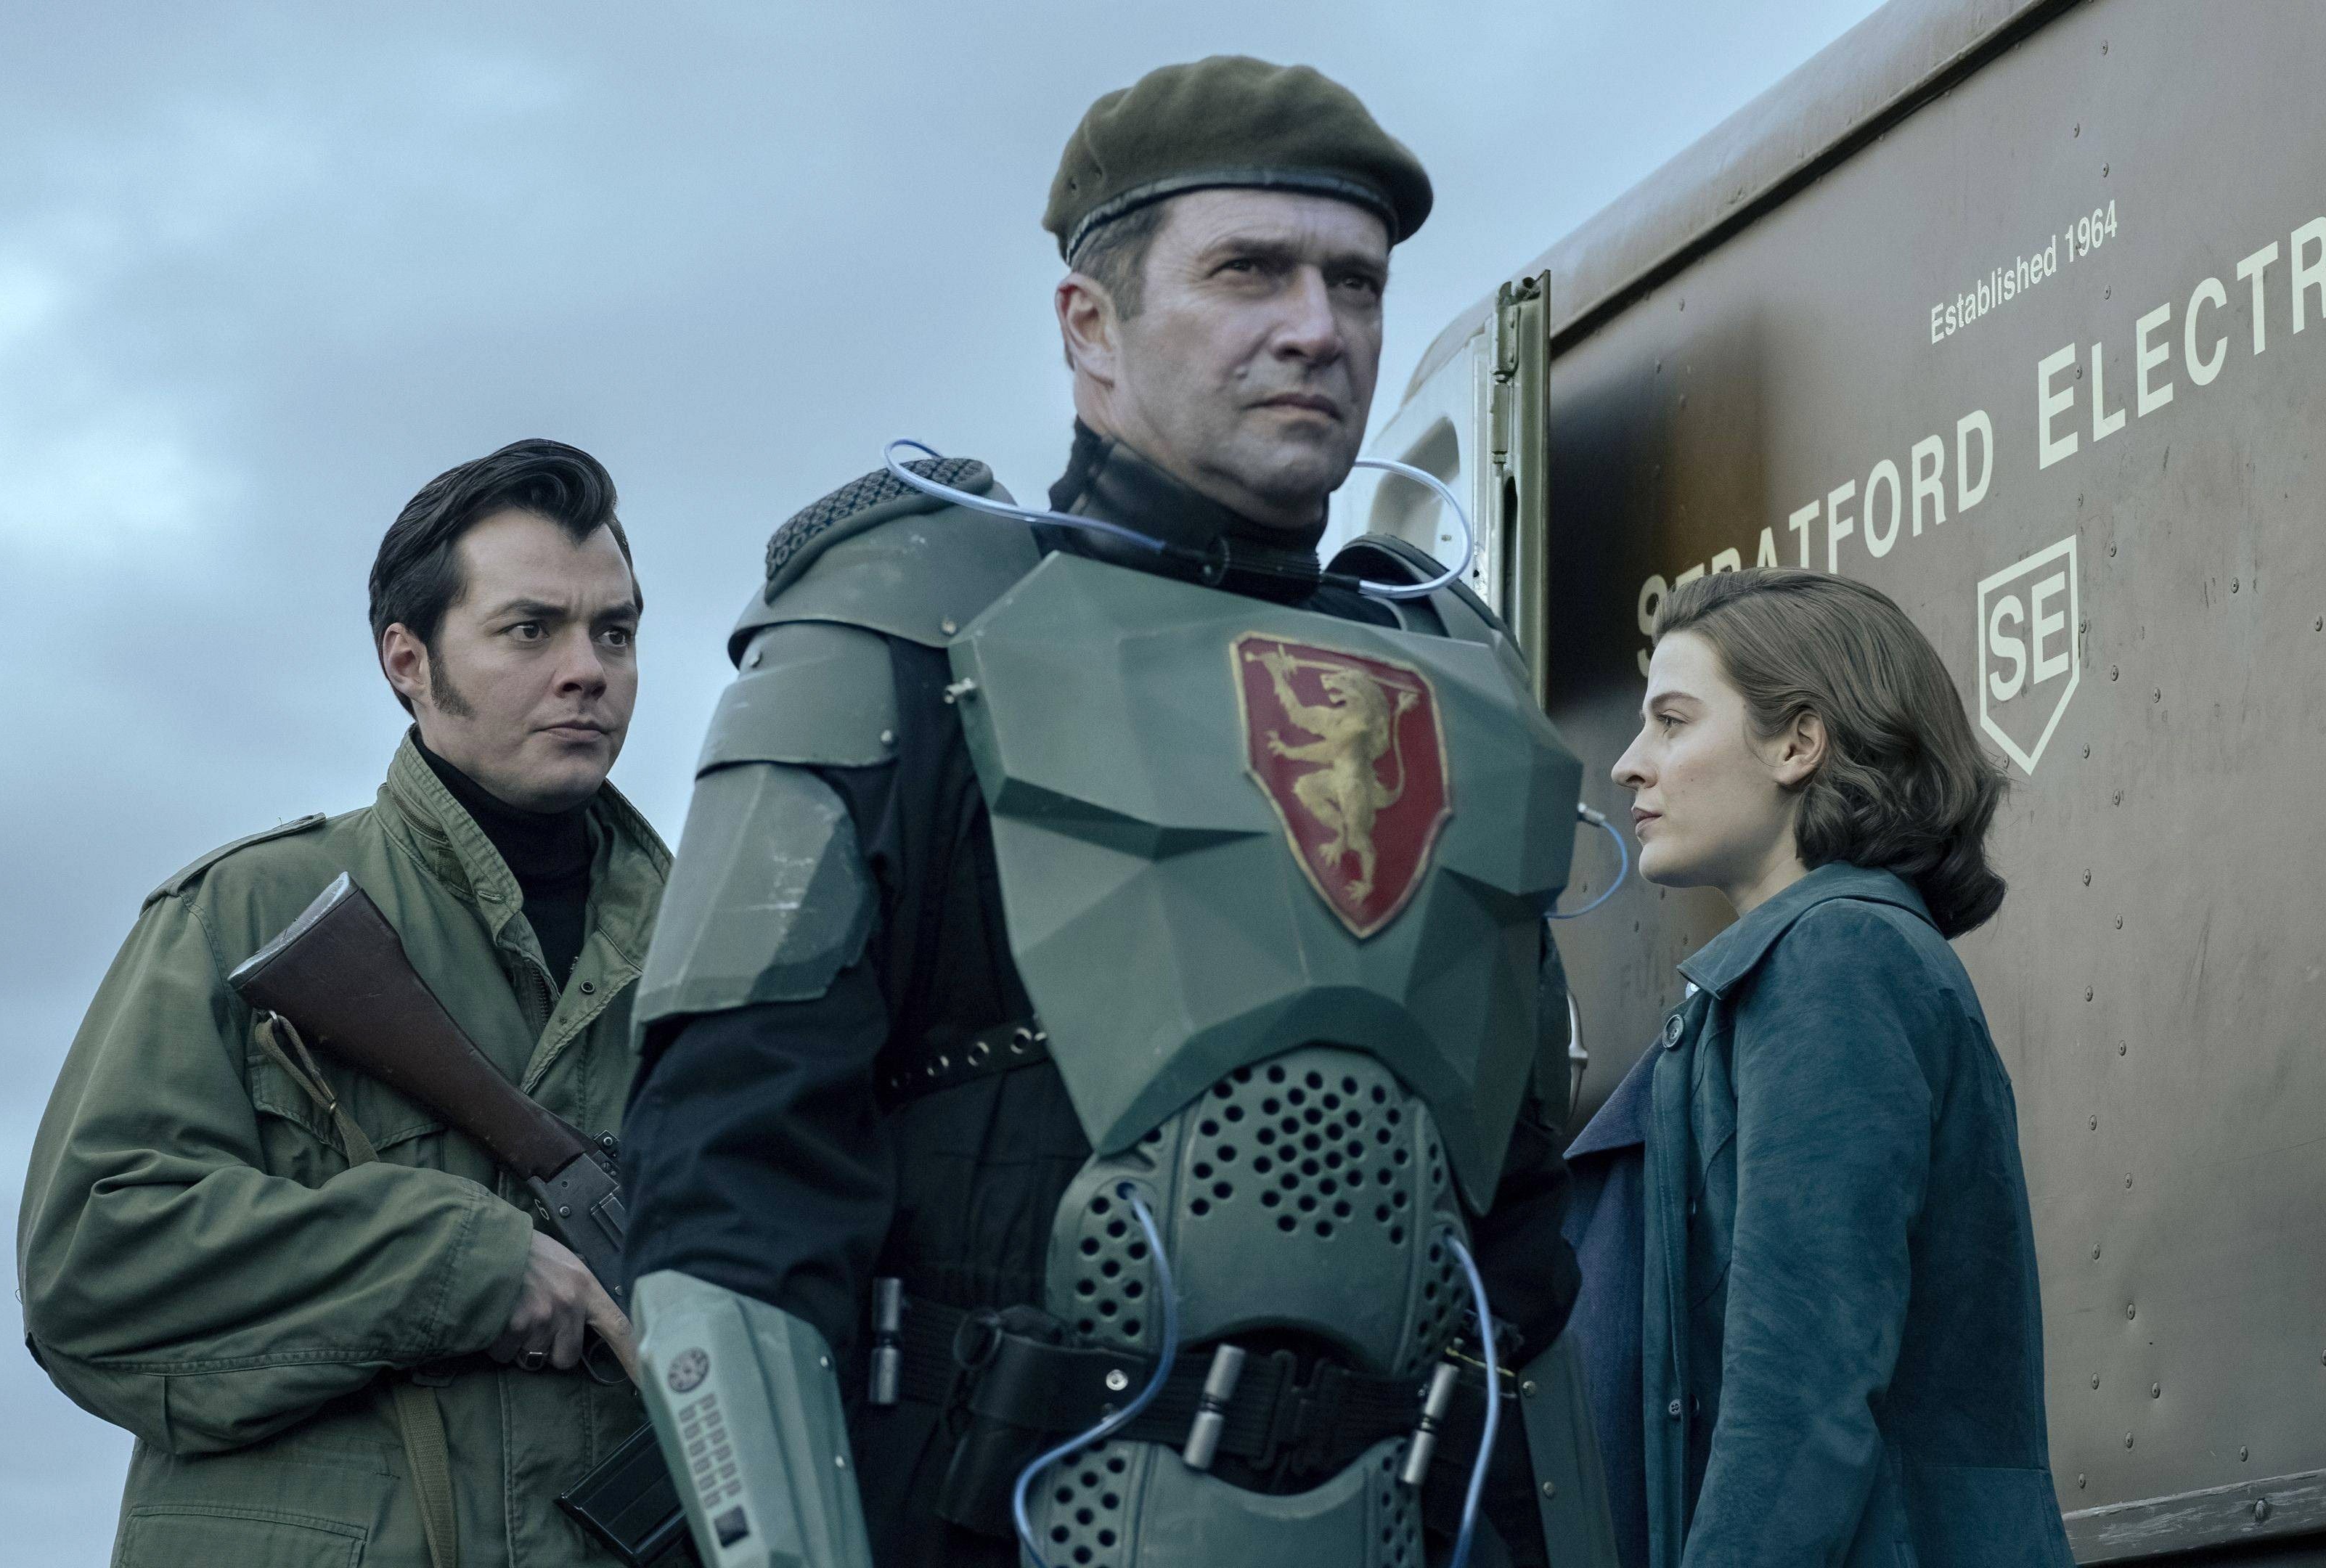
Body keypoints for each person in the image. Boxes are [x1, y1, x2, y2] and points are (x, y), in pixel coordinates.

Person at [620, 56, 1615, 1568]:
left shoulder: (1454, 683)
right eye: (1251, 270)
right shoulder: (908, 626)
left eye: (1355, 283)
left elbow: (1517, 1268)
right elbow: (729, 1196)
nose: (1318, 327)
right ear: (1091, 324)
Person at [18, 439, 671, 1568]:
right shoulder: (253, 912)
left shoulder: (725, 956)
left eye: (614, 632)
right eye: (531, 630)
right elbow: (94, 1263)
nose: (587, 670)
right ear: (408, 660)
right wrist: (460, 1263)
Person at [1562, 567, 2073, 1568]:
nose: (1627, 765)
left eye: (1672, 722)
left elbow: (1802, 1391)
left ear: (1798, 744)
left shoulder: (1837, 957)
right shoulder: (1814, 962)